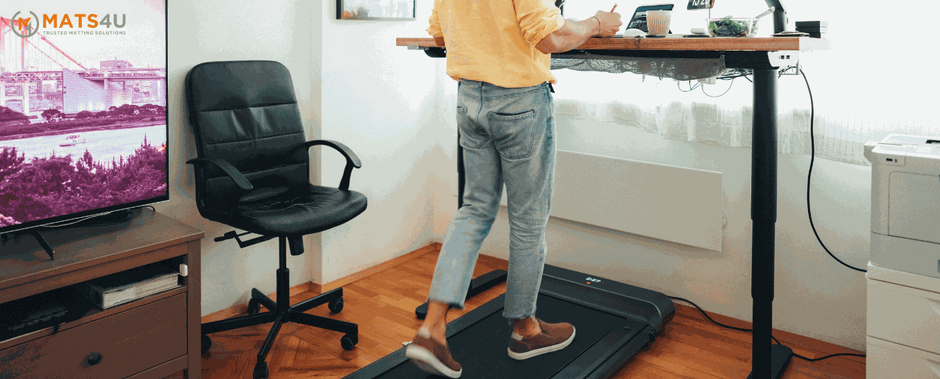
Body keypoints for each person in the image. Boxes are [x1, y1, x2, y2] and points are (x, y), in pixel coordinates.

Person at [404, 1, 622, 378]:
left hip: (470, 99)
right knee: (528, 219)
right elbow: (550, 36)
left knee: (473, 209)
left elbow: (439, 32)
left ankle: (432, 328)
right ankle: (525, 330)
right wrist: (597, 23)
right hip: (519, 101)